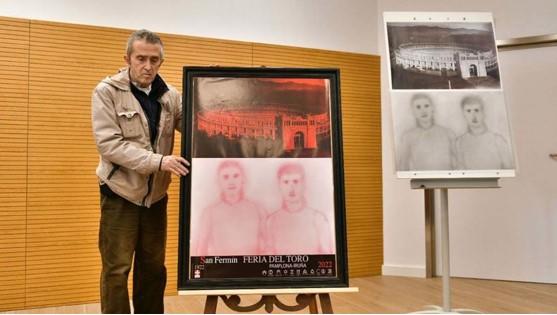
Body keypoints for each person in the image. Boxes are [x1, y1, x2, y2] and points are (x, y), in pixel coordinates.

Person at [91, 29, 190, 314]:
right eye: (141, 58)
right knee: (117, 270)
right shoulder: (106, 92)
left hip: (156, 198)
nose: (148, 66)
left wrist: (210, 90)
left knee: (153, 268)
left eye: (154, 60)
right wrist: (159, 161)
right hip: (120, 196)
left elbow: (196, 125)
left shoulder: (170, 96)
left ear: (161, 62)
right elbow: (110, 145)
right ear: (127, 58)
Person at [194, 160, 266, 256]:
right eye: (225, 177)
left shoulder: (257, 209)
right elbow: (201, 248)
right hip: (221, 269)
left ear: (243, 179)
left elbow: (268, 246)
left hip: (253, 268)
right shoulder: (209, 212)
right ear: (219, 181)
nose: (231, 181)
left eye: (236, 176)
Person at [266, 163, 334, 255]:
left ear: (304, 184)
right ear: (279, 186)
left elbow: (327, 255)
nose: (291, 188)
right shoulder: (271, 221)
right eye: (286, 182)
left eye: (296, 181)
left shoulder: (318, 219)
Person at [398, 93, 456, 171]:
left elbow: (458, 164)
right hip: (423, 181)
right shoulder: (408, 137)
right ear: (413, 111)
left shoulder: (448, 134)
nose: (423, 110)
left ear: (433, 108)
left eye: (426, 106)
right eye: (418, 107)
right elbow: (403, 167)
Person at [456, 96, 514, 169]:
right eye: (468, 111)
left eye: (476, 110)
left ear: (483, 113)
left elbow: (509, 169)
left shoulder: (498, 140)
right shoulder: (459, 143)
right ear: (463, 114)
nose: (473, 116)